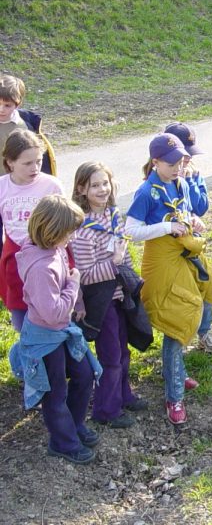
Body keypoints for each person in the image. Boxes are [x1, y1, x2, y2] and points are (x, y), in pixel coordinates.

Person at [125, 133, 212, 424]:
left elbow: (188, 215)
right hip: (162, 266)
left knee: (196, 309)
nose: (178, 167)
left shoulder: (181, 183)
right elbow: (131, 230)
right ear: (155, 161)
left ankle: (177, 372)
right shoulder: (147, 192)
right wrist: (165, 227)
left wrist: (193, 222)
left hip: (185, 259)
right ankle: (174, 398)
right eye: (171, 163)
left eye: (181, 161)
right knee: (175, 324)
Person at [9, 195, 102, 465]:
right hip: (45, 336)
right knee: (55, 391)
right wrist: (74, 286)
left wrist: (77, 296)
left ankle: (73, 425)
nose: (72, 238)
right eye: (69, 233)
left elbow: (66, 278)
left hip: (63, 329)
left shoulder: (54, 249)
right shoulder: (41, 266)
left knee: (84, 375)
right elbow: (53, 313)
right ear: (51, 231)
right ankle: (63, 442)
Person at [70, 162, 146, 429]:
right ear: (81, 189)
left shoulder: (113, 216)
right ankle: (106, 409)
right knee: (110, 357)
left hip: (120, 295)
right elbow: (86, 275)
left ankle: (124, 395)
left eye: (105, 183)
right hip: (101, 303)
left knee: (124, 350)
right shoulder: (82, 230)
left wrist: (130, 277)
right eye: (95, 185)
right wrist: (114, 263)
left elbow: (124, 255)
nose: (102, 189)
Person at [164, 121, 212, 354]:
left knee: (204, 283)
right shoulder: (161, 177)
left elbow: (201, 206)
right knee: (180, 293)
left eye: (190, 155)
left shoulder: (192, 174)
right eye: (184, 155)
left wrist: (192, 181)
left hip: (193, 243)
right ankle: (179, 334)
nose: (187, 160)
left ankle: (204, 331)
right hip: (171, 248)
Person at [0, 130, 64, 332]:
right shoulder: (2, 187)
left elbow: (66, 226)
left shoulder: (51, 185)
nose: (35, 167)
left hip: (47, 259)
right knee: (23, 324)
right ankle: (30, 361)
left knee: (51, 320)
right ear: (10, 162)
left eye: (38, 161)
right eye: (27, 163)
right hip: (15, 260)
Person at [0, 73, 57, 175]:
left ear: (17, 104)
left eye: (7, 105)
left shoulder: (25, 126)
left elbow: (35, 157)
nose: (1, 109)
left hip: (19, 183)